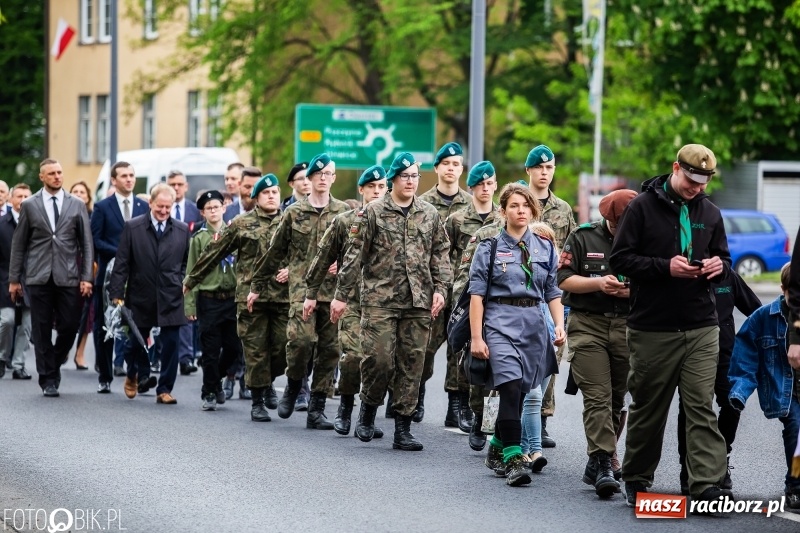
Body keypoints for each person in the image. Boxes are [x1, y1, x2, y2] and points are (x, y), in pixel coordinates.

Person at [609, 143, 733, 506]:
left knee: (700, 406)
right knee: (650, 407)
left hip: (701, 325)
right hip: (653, 328)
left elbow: (724, 259)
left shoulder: (710, 212)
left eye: (703, 183)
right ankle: (636, 477)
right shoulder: (641, 207)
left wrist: (718, 267)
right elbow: (621, 259)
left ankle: (705, 484)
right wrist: (665, 267)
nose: (696, 189)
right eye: (691, 181)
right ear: (675, 168)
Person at [330, 151, 452, 451]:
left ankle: (402, 428)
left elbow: (440, 254)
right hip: (379, 300)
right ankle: (368, 409)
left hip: (418, 300)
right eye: (404, 176)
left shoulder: (429, 213)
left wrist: (441, 289)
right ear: (392, 179)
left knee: (412, 364)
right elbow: (354, 256)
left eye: (414, 176)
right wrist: (341, 296)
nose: (410, 181)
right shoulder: (372, 212)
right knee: (379, 360)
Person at [469, 183, 564, 485]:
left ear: (533, 210)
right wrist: (476, 337)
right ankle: (513, 459)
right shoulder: (489, 248)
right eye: (514, 205)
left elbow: (552, 291)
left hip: (534, 324)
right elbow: (476, 295)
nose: (521, 211)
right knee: (510, 386)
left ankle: (496, 447)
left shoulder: (545, 247)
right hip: (499, 321)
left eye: (526, 205)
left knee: (522, 391)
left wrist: (558, 324)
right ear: (503, 211)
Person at [248, 153, 349, 429]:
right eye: (318, 174)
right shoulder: (294, 213)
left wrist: (341, 262)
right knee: (300, 342)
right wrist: (257, 286)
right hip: (302, 291)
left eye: (328, 174)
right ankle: (294, 384)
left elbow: (355, 250)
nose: (323, 178)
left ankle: (317, 408)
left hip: (333, 292)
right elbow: (275, 251)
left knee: (330, 350)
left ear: (333, 178)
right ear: (310, 178)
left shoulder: (343, 213)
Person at [186, 172, 289, 422]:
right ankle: (257, 402)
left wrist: (292, 270)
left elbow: (304, 255)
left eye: (275, 192)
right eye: (266, 193)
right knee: (254, 350)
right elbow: (216, 250)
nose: (271, 196)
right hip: (249, 298)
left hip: (282, 297)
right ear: (256, 197)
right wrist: (191, 280)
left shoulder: (291, 220)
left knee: (284, 348)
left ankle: (267, 381)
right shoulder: (242, 223)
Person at [557, 189, 637, 498]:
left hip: (628, 326)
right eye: (617, 225)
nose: (622, 230)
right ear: (608, 220)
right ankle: (604, 461)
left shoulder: (645, 239)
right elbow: (563, 278)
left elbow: (660, 283)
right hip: (588, 324)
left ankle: (598, 458)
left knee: (616, 398)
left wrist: (631, 291)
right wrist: (597, 283)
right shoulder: (583, 237)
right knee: (598, 397)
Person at [304, 165, 388, 437]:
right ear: (361, 190)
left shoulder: (395, 221)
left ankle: (368, 415)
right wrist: (311, 293)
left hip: (384, 304)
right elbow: (323, 257)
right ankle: (345, 407)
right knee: (352, 357)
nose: (377, 191)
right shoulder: (344, 222)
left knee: (379, 362)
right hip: (350, 300)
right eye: (371, 187)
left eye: (381, 187)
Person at [9, 158, 93, 397]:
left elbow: (86, 244)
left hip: (69, 276)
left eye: (59, 172)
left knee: (70, 325)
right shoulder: (30, 205)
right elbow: (19, 244)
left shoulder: (76, 204)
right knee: (41, 328)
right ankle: (47, 379)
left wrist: (86, 277)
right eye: (52, 173)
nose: (57, 176)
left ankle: (53, 363)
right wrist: (14, 279)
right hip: (38, 276)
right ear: (42, 177)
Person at [677, 269, 761, 494]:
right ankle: (688, 468)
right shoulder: (683, 275)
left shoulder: (728, 276)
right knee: (691, 409)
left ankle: (719, 460)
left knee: (733, 403)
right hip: (691, 355)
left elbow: (756, 311)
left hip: (725, 355)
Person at [109, 183, 189, 405]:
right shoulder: (133, 227)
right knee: (135, 342)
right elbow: (122, 262)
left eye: (168, 207)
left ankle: (164, 389)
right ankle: (132, 373)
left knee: (171, 343)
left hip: (171, 296)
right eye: (159, 206)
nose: (163, 211)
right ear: (151, 203)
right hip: (140, 294)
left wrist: (181, 281)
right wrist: (117, 292)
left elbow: (186, 262)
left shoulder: (182, 229)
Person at [728, 262, 800, 510]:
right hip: (787, 392)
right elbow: (745, 356)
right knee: (796, 429)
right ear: (783, 290)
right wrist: (740, 391)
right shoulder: (763, 318)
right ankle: (795, 486)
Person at [441, 160, 500, 432]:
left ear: (495, 185)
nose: (485, 188)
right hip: (463, 293)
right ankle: (458, 403)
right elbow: (444, 255)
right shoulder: (457, 219)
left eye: (489, 183)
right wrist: (449, 290)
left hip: (495, 296)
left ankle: (476, 411)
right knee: (459, 348)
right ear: (472, 187)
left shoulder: (503, 218)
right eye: (480, 184)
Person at [524, 144, 577, 449]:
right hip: (520, 294)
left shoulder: (563, 209)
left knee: (551, 359)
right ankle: (498, 420)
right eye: (539, 168)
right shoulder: (518, 202)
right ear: (528, 170)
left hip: (553, 295)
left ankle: (541, 420)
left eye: (549, 168)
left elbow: (571, 249)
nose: (545, 173)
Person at [417, 142, 472, 425]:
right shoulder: (422, 203)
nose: (451, 168)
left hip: (462, 291)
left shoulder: (472, 204)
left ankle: (456, 405)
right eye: (446, 164)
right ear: (437, 168)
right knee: (424, 346)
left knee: (458, 347)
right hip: (429, 288)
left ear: (462, 170)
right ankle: (415, 393)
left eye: (456, 164)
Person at [91, 162, 149, 393]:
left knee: (138, 325)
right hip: (108, 276)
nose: (129, 179)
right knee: (105, 327)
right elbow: (96, 240)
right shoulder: (102, 207)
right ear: (114, 180)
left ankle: (139, 375)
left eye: (132, 175)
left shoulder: (143, 207)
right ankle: (105, 376)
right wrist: (122, 253)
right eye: (124, 176)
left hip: (138, 278)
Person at [184, 190, 240, 411]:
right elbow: (192, 272)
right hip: (209, 300)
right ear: (203, 213)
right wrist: (190, 304)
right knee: (210, 349)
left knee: (234, 347)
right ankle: (209, 392)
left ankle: (215, 380)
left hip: (232, 299)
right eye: (208, 208)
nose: (213, 211)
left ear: (224, 208)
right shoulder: (199, 238)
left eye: (216, 207)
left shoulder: (234, 234)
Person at [221, 165, 262, 400]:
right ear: (239, 186)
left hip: (258, 286)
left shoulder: (271, 213)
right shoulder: (226, 212)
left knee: (253, 337)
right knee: (232, 336)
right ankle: (229, 377)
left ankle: (247, 380)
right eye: (247, 186)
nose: (250, 192)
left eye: (255, 187)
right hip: (229, 284)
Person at [166, 170, 202, 377]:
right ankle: (164, 356)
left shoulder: (194, 210)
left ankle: (186, 358)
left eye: (180, 184)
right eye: (172, 184)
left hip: (188, 266)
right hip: (166, 266)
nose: (176, 188)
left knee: (187, 311)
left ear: (186, 186)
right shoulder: (162, 208)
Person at [0, 184, 32, 380]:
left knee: (27, 325)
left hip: (31, 282)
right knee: (7, 320)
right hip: (4, 281)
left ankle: (19, 365)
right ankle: (2, 357)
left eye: (26, 196)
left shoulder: (36, 224)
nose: (22, 200)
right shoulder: (2, 224)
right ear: (10, 199)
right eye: (19, 196)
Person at [69, 181, 94, 370]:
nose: (78, 194)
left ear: (88, 197)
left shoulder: (93, 216)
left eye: (82, 192)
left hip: (88, 266)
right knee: (67, 311)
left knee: (87, 312)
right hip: (68, 266)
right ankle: (64, 347)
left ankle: (80, 353)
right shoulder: (64, 214)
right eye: (75, 191)